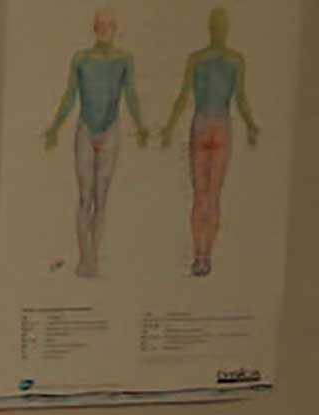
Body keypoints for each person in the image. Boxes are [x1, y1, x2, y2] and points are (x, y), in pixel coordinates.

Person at [43, 8, 149, 278]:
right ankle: (86, 258)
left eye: (108, 26)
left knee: (101, 198)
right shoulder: (81, 58)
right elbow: (70, 95)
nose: (104, 30)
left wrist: (140, 125)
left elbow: (131, 94)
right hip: (85, 129)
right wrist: (55, 127)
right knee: (84, 197)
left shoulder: (124, 59)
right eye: (100, 25)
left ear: (115, 29)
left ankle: (92, 259)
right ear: (94, 28)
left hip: (110, 130)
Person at [159, 6, 262, 277]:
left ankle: (200, 256)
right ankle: (205, 256)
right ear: (224, 29)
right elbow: (240, 99)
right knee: (212, 197)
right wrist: (250, 126)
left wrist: (169, 128)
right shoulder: (235, 60)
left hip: (202, 124)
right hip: (220, 125)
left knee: (201, 196)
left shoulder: (197, 58)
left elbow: (184, 97)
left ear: (211, 28)